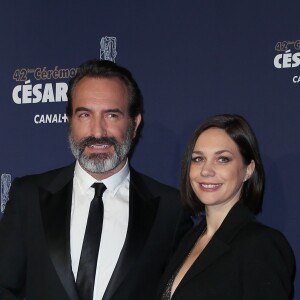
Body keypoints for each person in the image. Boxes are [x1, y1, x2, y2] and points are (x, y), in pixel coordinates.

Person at [0, 59, 191, 300]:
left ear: (134, 125)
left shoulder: (170, 209)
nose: (98, 132)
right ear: (70, 121)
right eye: (85, 115)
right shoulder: (27, 196)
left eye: (112, 115)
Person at [157, 114, 295, 300]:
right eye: (198, 159)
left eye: (222, 159)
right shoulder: (189, 239)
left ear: (248, 170)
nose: (206, 170)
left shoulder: (261, 244)